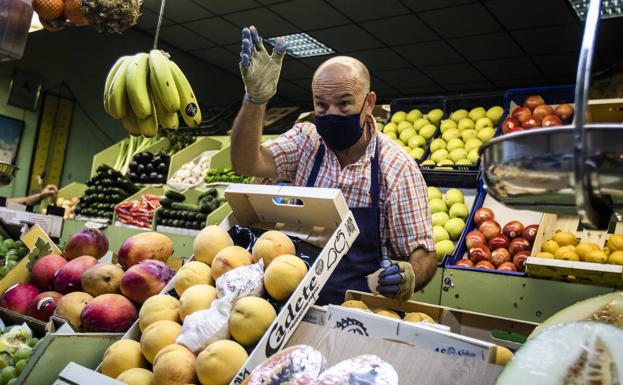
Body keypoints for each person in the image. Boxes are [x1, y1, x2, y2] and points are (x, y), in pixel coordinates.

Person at [231, 26, 436, 305]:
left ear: (369, 103)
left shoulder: (397, 168)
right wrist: (255, 100)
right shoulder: (305, 141)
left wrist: (409, 274)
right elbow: (246, 163)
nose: (331, 114)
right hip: (291, 302)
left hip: (357, 310)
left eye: (344, 104)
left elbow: (424, 254)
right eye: (321, 105)